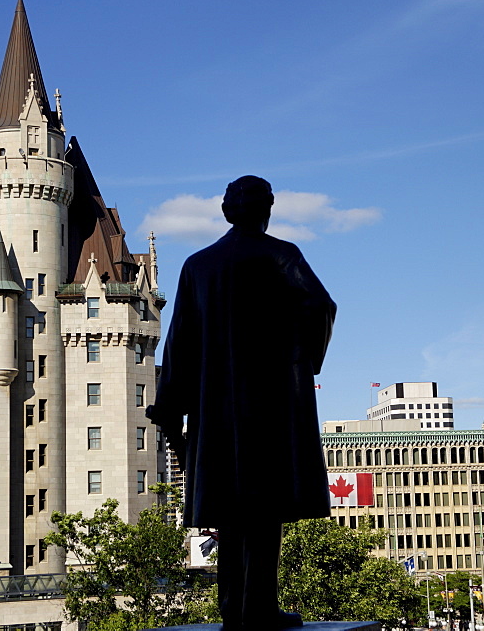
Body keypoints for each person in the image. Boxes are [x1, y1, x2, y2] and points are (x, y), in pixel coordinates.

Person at [147, 175, 336, 630]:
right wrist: (300, 359)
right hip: (271, 408)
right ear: (266, 210)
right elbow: (322, 307)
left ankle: (234, 607)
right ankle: (259, 608)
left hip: (218, 413)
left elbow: (180, 344)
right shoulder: (282, 256)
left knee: (230, 511)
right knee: (265, 511)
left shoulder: (198, 265)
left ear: (228, 210)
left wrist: (170, 403)